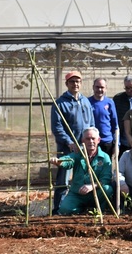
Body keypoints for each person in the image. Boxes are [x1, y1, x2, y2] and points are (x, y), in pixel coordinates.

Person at [51, 71, 95, 213]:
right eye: (72, 82)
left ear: (81, 83)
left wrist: (91, 140)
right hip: (68, 148)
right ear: (67, 84)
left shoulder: (86, 101)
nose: (75, 84)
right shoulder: (60, 103)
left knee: (84, 177)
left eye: (78, 81)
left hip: (84, 147)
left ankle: (81, 206)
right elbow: (57, 127)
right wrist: (69, 142)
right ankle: (59, 209)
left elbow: (91, 123)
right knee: (64, 179)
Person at [49, 127, 113, 215]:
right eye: (87, 139)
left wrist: (92, 186)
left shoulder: (105, 157)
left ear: (98, 140)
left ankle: (99, 209)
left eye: (93, 139)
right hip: (77, 193)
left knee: (107, 189)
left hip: (95, 193)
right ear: (83, 140)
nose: (90, 141)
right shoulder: (78, 154)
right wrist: (59, 161)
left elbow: (106, 178)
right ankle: (81, 209)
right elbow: (69, 160)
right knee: (64, 210)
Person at [89, 77, 119, 157]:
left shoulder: (110, 103)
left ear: (106, 88)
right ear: (93, 87)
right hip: (91, 142)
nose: (99, 90)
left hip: (107, 142)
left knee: (105, 167)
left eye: (102, 87)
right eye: (97, 87)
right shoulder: (87, 102)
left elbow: (115, 125)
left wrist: (116, 144)